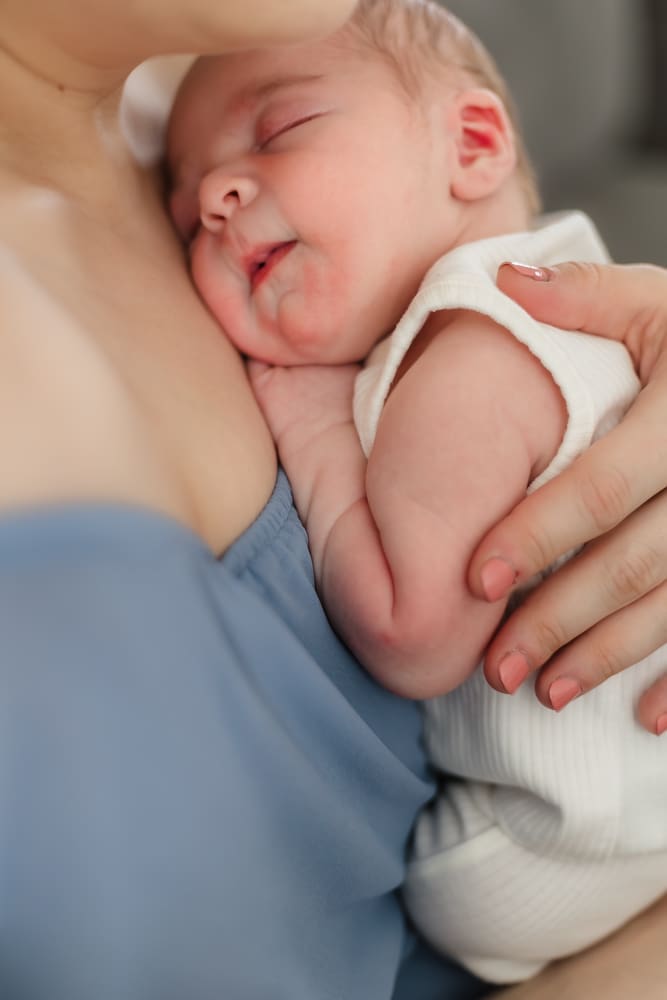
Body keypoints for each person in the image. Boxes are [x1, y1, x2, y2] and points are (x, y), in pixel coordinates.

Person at [2, 0, 667, 996]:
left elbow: (417, 625)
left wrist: (314, 432)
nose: (218, 197)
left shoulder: (460, 342)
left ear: (478, 140)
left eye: (278, 134)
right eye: (189, 220)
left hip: (560, 859)